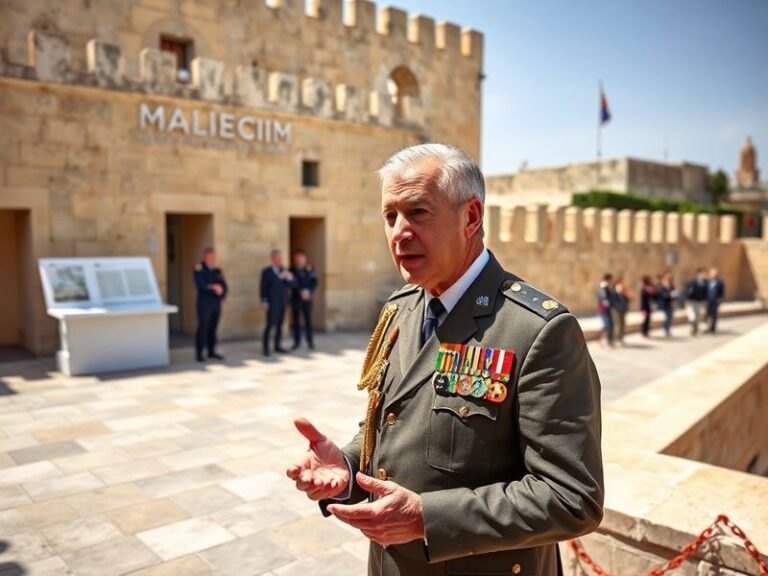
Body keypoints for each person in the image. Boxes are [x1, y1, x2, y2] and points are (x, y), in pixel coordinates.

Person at [286, 144, 603, 576]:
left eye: (417, 212)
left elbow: (573, 498)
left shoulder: (537, 331)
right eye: (390, 216)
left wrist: (427, 518)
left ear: (471, 217)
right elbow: (393, 425)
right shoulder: (400, 310)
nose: (399, 232)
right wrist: (346, 466)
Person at [193, 247, 227, 362]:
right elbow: (201, 285)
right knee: (203, 328)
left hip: (216, 304)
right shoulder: (199, 269)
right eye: (209, 257)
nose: (211, 259)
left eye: (213, 257)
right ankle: (199, 353)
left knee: (213, 328)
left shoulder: (217, 271)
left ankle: (211, 351)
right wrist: (213, 287)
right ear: (205, 257)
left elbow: (224, 285)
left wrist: (223, 295)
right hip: (204, 304)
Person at [260, 249, 294, 356]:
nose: (280, 260)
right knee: (270, 325)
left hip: (283, 302)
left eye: (281, 258)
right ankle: (265, 348)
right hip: (272, 303)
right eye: (278, 258)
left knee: (280, 325)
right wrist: (264, 302)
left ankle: (277, 345)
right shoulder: (266, 272)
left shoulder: (284, 270)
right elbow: (263, 288)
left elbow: (294, 285)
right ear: (272, 259)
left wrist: (289, 278)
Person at [290, 249, 318, 350]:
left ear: (305, 258)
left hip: (307, 299)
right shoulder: (291, 270)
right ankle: (296, 342)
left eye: (301, 257)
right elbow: (292, 283)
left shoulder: (310, 269)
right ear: (295, 259)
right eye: (297, 258)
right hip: (296, 299)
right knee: (296, 321)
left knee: (308, 321)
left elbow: (314, 283)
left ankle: (310, 341)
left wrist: (309, 292)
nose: (299, 259)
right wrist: (300, 292)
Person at [684, 268, 708, 335]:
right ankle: (692, 328)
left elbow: (705, 293)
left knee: (697, 317)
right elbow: (688, 292)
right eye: (702, 274)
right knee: (692, 316)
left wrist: (704, 302)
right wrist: (687, 300)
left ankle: (696, 329)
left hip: (699, 302)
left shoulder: (705, 283)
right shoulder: (692, 282)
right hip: (692, 301)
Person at [611, 276, 631, 345]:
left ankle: (621, 338)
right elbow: (613, 300)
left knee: (623, 324)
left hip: (623, 309)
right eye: (621, 282)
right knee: (618, 324)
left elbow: (627, 300)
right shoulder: (613, 290)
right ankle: (615, 339)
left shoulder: (624, 290)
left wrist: (625, 293)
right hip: (616, 310)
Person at [596, 273, 614, 347]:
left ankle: (609, 341)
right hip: (603, 309)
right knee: (606, 325)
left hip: (607, 309)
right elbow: (604, 297)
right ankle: (600, 340)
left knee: (610, 325)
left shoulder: (607, 287)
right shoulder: (603, 286)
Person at [656, 272, 676, 337]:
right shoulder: (661, 286)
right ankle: (666, 330)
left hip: (670, 304)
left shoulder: (671, 286)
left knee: (670, 317)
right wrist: (669, 295)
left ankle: (668, 329)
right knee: (666, 317)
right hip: (664, 304)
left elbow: (674, 294)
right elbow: (660, 294)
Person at [705, 267, 725, 333]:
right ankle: (708, 326)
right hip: (708, 300)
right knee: (708, 314)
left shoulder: (720, 282)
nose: (713, 274)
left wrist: (720, 299)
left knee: (714, 314)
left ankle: (713, 328)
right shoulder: (708, 282)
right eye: (712, 273)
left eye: (715, 273)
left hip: (715, 301)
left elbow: (722, 292)